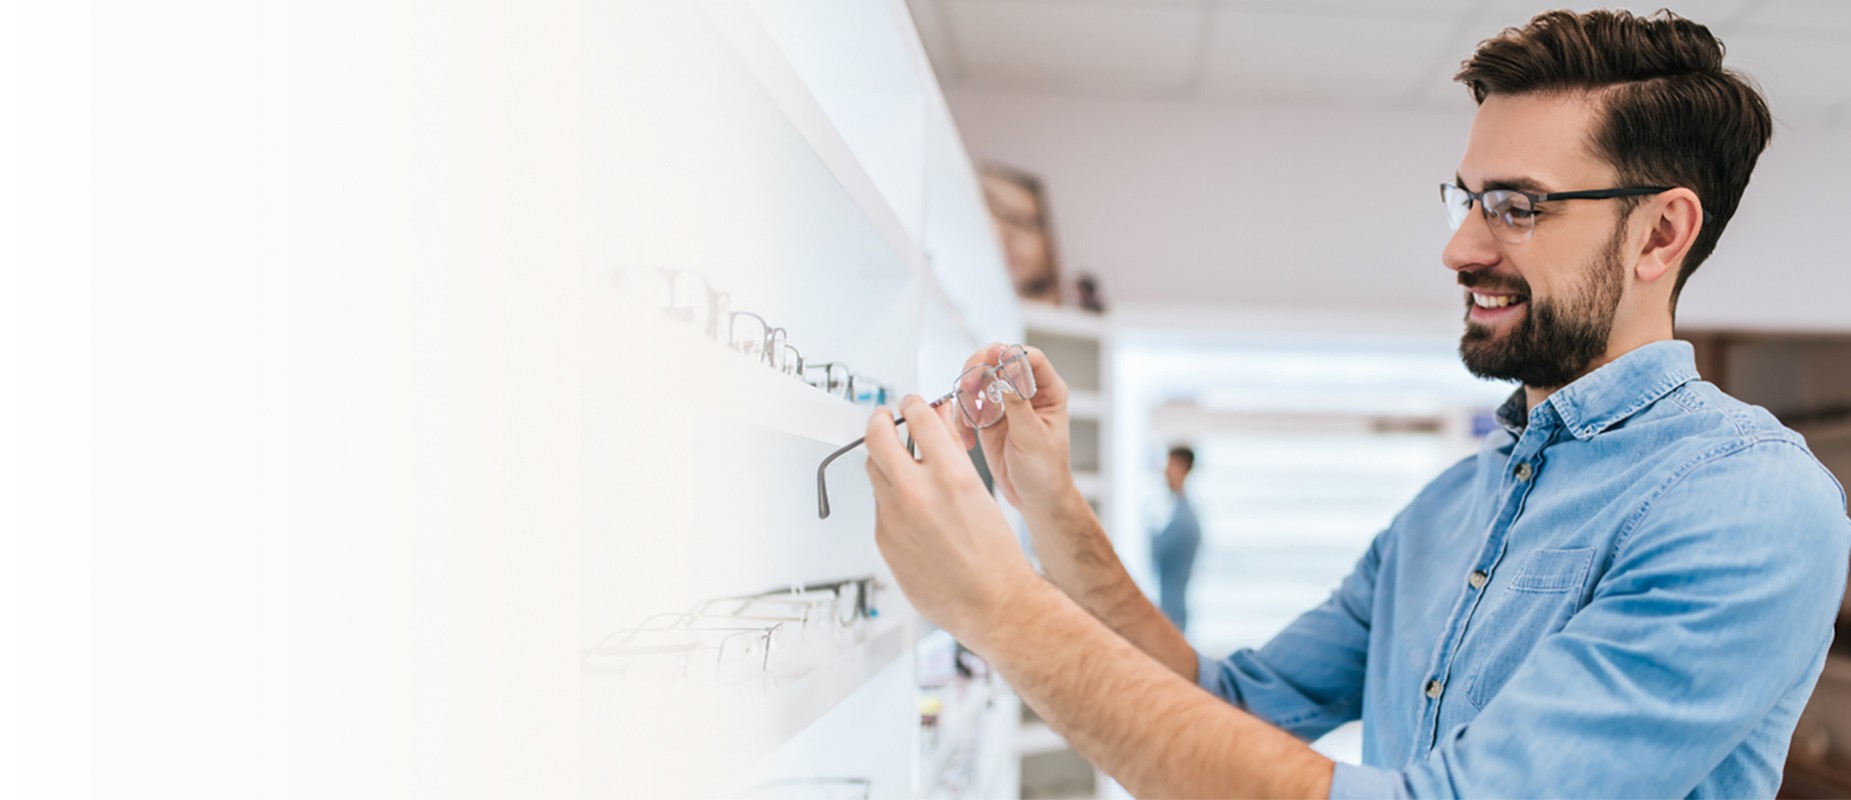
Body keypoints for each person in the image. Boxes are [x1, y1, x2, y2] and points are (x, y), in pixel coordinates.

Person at [856, 10, 1851, 798]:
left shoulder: (1749, 504)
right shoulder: (1447, 512)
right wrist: (1047, 507)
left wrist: (1001, 607)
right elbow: (1228, 704)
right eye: (1464, 199)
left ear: (1659, 234)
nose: (1460, 248)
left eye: (1515, 204)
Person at [1152, 446, 1201, 633]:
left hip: (1172, 613)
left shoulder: (1184, 520)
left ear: (1181, 467)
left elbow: (1158, 553)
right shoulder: (1179, 513)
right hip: (1170, 609)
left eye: (1169, 464)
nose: (1165, 471)